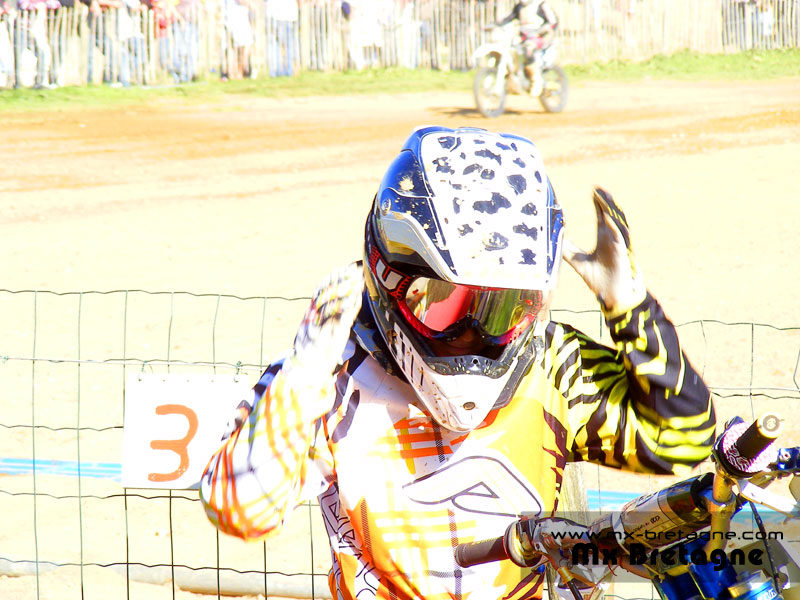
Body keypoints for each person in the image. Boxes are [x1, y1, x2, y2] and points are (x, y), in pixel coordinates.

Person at [199, 126, 716, 599]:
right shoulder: (330, 373)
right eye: (442, 304)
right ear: (388, 276)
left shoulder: (551, 363)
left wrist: (631, 309)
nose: (474, 334)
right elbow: (240, 509)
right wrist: (304, 370)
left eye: (503, 308)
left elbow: (683, 438)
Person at [497, 0, 558, 88]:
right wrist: (497, 24)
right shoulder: (520, 7)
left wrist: (541, 32)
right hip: (525, 38)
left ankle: (536, 81)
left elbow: (553, 22)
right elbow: (509, 18)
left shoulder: (540, 5)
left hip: (541, 37)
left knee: (529, 48)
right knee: (514, 49)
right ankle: (520, 76)